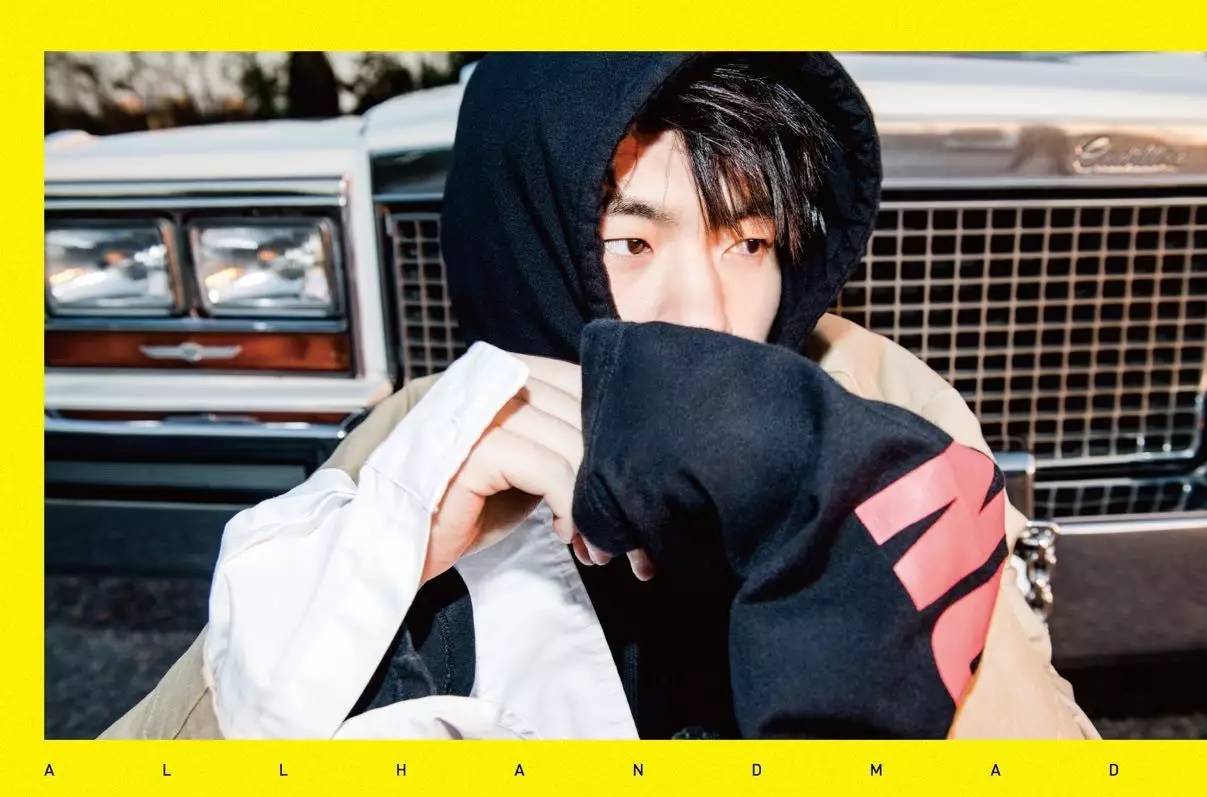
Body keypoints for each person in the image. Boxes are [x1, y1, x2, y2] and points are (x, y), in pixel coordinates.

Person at [103, 52, 1097, 740]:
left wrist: (907, 577)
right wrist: (380, 564)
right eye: (631, 241)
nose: (703, 315)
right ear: (532, 244)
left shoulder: (876, 401)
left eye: (748, 242)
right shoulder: (426, 442)